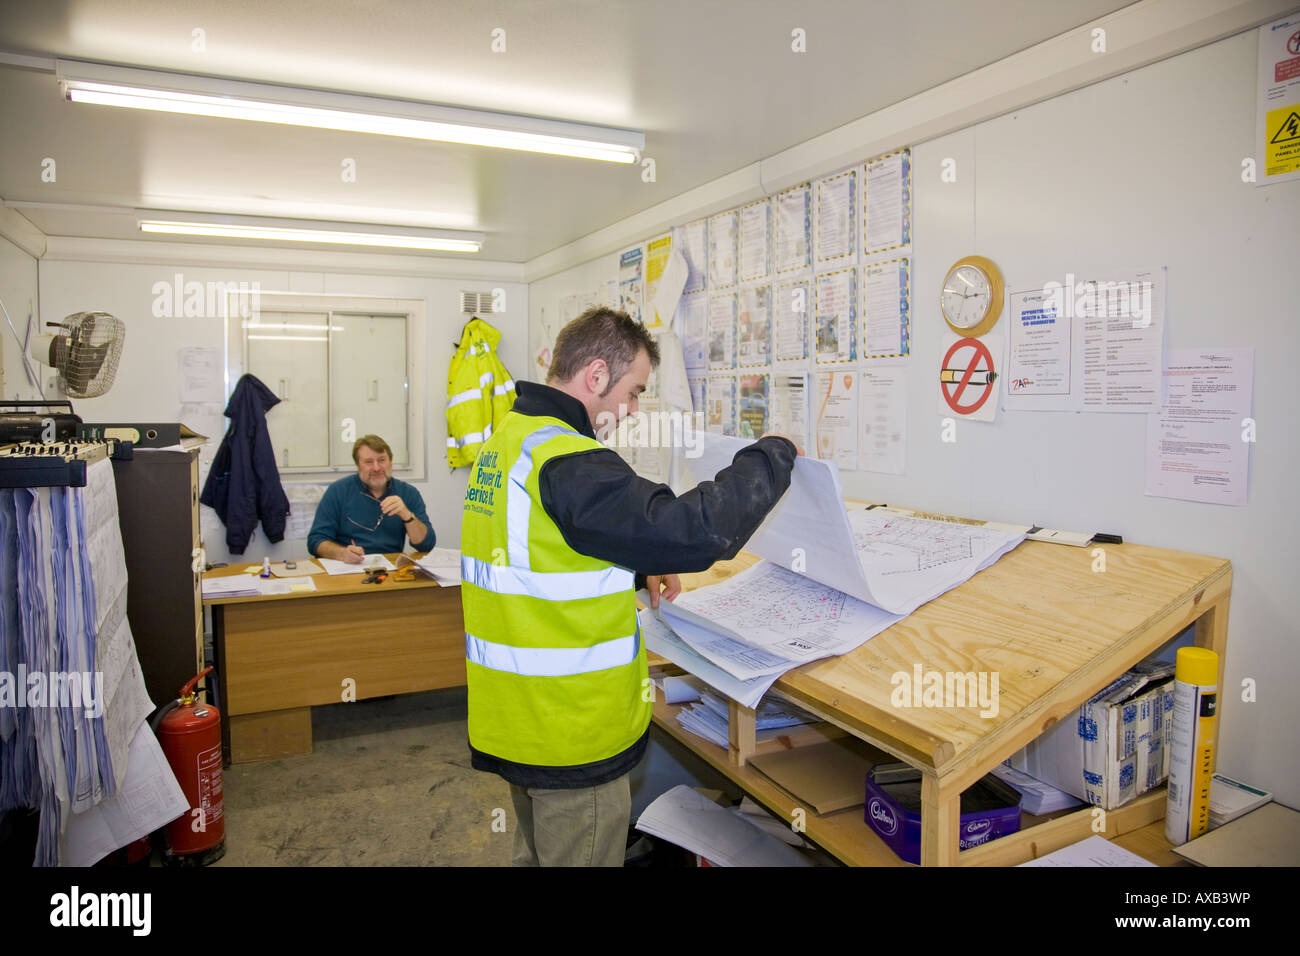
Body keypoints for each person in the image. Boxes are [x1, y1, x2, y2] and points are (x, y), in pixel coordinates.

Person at [461, 305, 799, 867]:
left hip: (514, 721)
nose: (634, 410)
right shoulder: (569, 460)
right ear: (595, 376)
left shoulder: (510, 439)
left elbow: (541, 547)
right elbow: (696, 528)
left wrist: (639, 563)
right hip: (571, 730)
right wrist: (773, 454)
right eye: (635, 392)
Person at [308, 435, 435, 562]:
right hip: (348, 568)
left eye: (381, 460)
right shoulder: (338, 491)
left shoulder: (408, 493)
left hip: (390, 570)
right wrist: (341, 553)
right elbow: (315, 540)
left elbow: (426, 545)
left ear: (391, 462)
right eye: (368, 462)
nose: (376, 468)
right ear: (358, 465)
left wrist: (407, 516)